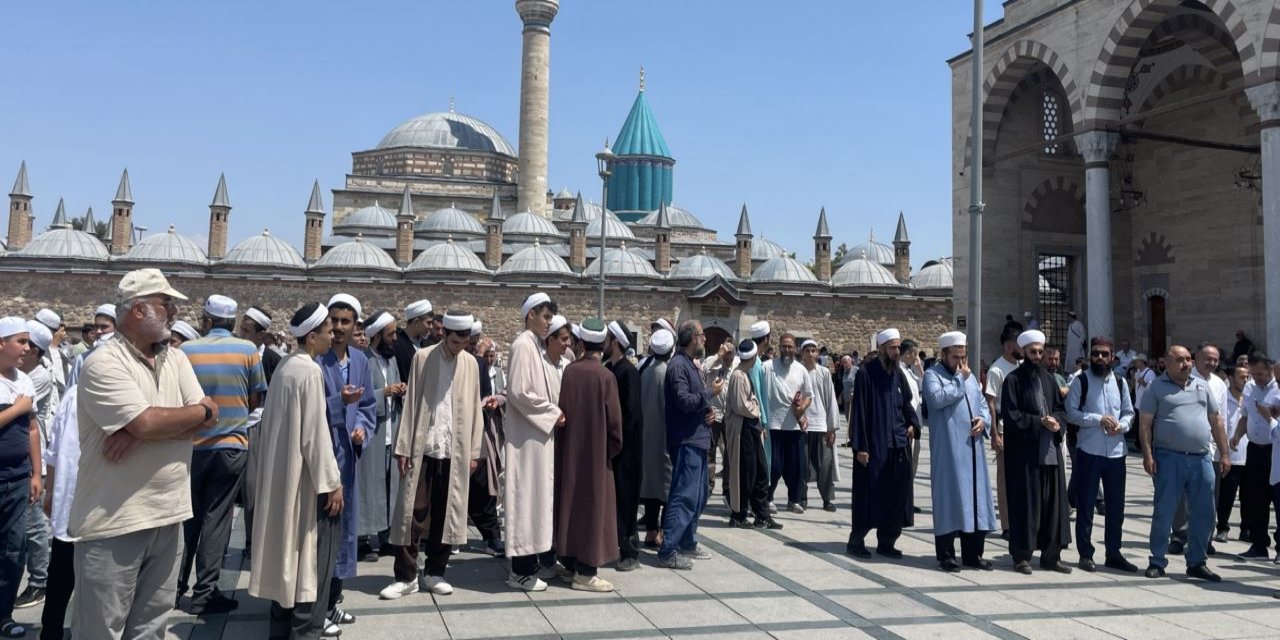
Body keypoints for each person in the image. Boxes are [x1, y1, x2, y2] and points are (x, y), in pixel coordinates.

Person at [70, 269, 216, 639]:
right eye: (165, 304)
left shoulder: (177, 360)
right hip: (114, 521)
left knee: (152, 627)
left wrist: (144, 430)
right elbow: (150, 421)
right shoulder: (103, 363)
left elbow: (207, 417)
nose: (174, 312)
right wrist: (159, 424)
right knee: (101, 630)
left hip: (169, 515)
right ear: (138, 310)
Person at [248, 302, 345, 640]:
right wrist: (332, 484)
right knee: (312, 567)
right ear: (313, 336)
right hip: (306, 486)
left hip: (284, 477)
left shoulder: (287, 366)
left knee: (286, 563)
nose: (333, 336)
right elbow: (315, 436)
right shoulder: (308, 371)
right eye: (328, 331)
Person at [379, 310, 484, 599]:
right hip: (423, 448)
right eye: (455, 340)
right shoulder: (423, 357)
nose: (459, 346)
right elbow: (412, 402)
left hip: (456, 450)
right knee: (412, 513)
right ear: (444, 333)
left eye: (464, 341)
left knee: (445, 513)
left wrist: (474, 451)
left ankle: (435, 572)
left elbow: (475, 409)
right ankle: (406, 576)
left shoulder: (471, 365)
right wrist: (403, 447)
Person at [177, 294, 267, 615]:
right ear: (233, 322)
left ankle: (176, 586)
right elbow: (256, 399)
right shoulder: (247, 351)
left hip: (192, 447)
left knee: (189, 518)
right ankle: (204, 593)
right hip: (231, 445)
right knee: (217, 519)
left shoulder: (185, 351)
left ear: (206, 319)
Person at [1139, 345, 1231, 581]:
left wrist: (1224, 453)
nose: (1186, 364)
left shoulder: (1202, 386)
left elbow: (1216, 421)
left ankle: (1197, 561)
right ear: (1166, 364)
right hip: (1169, 458)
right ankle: (1157, 561)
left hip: (1201, 459)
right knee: (1165, 510)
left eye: (1189, 359)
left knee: (1205, 513)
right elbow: (1145, 425)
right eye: (1180, 360)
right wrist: (1148, 455)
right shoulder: (1155, 388)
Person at [317, 293, 376, 629]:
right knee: (323, 533)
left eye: (345, 322)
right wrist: (338, 402)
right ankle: (317, 607)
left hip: (347, 460)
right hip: (323, 456)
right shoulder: (318, 361)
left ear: (356, 326)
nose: (338, 328)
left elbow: (367, 407)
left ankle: (332, 601)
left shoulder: (360, 361)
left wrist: (360, 431)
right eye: (334, 321)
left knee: (343, 535)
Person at [551, 319, 623, 591]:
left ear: (581, 343)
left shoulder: (570, 372)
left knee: (570, 505)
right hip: (595, 455)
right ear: (604, 345)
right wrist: (610, 452)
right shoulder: (606, 377)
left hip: (570, 451)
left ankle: (569, 563)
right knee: (593, 509)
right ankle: (585, 571)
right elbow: (615, 425)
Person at [999, 329, 1072, 574]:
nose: (1037, 356)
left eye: (1041, 352)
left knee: (1053, 508)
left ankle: (1052, 555)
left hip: (1049, 453)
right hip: (1025, 456)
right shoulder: (1014, 380)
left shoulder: (1049, 379)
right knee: (1026, 505)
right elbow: (1011, 416)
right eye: (1033, 352)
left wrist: (1056, 423)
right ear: (1024, 352)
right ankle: (1022, 556)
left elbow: (1062, 409)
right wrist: (1039, 422)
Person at [503, 294, 563, 592]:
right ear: (530, 316)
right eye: (545, 317)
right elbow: (519, 392)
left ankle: (528, 565)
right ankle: (520, 571)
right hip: (526, 441)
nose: (548, 322)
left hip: (537, 437)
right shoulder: (523, 345)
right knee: (525, 499)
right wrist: (553, 413)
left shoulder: (534, 347)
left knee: (534, 499)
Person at [923, 331, 995, 572]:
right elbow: (935, 400)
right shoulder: (933, 375)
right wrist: (959, 381)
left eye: (963, 357)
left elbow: (982, 402)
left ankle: (973, 554)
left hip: (973, 451)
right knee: (949, 500)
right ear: (944, 354)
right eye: (956, 357)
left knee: (975, 500)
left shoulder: (968, 376)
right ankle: (946, 556)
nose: (961, 363)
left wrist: (983, 421)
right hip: (949, 452)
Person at [1065, 337, 1137, 573]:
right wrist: (1098, 420)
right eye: (1096, 354)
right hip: (1090, 451)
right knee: (1086, 506)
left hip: (1116, 453)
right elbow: (1071, 413)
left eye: (1105, 354)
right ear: (1089, 356)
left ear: (1112, 356)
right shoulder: (1081, 381)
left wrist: (1122, 426)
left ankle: (1113, 553)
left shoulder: (1120, 381)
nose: (1100, 358)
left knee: (1116, 507)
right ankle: (1085, 553)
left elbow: (1128, 412)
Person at [846, 328, 920, 560]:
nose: (897, 352)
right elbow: (859, 412)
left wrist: (913, 424)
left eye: (898, 348)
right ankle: (857, 540)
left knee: (895, 497)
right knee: (869, 495)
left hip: (899, 446)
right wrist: (861, 447)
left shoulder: (898, 374)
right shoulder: (866, 374)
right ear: (881, 349)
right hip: (875, 447)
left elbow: (907, 404)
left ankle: (887, 541)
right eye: (892, 348)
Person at [658, 320, 718, 570]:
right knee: (684, 496)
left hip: (698, 439)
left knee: (700, 495)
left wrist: (708, 410)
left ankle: (686, 541)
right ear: (694, 337)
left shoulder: (691, 366)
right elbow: (684, 401)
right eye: (703, 335)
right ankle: (668, 548)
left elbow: (695, 402)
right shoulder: (678, 366)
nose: (705, 340)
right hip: (686, 441)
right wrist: (709, 394)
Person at [1, 317, 42, 638]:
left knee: (14, 548)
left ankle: (3, 613)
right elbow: (20, 416)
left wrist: (35, 472)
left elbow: (32, 429)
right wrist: (16, 409)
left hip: (16, 478)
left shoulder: (23, 381)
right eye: (21, 342)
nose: (27, 349)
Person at [1170, 343, 1228, 555]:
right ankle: (1179, 536)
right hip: (1183, 448)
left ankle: (1205, 537)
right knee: (1181, 497)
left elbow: (1222, 419)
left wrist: (1224, 450)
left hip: (1210, 449)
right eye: (1208, 359)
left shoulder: (1220, 384)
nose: (1212, 363)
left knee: (1209, 497)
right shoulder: (1183, 377)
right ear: (1196, 359)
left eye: (1215, 359)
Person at [358, 311, 405, 561]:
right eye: (391, 334)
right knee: (368, 486)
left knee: (390, 487)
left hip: (391, 431)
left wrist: (400, 391)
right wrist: (383, 392)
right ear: (377, 336)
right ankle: (362, 540)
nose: (395, 338)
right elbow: (360, 396)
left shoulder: (392, 360)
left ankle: (387, 537)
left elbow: (395, 388)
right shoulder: (363, 360)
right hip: (372, 433)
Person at [15, 320, 54, 613]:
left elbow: (25, 418)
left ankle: (39, 581)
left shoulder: (36, 377)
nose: (24, 350)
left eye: (27, 346)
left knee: (34, 525)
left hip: (30, 462)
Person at [40, 383, 81, 640]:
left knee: (61, 575)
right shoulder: (75, 393)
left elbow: (53, 450)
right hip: (91, 501)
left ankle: (51, 632)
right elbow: (54, 450)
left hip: (70, 498)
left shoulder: (74, 393)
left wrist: (51, 491)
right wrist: (51, 492)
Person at [725, 339, 778, 529]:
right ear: (754, 356)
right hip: (744, 430)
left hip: (751, 430)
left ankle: (761, 514)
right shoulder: (739, 376)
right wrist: (756, 407)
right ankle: (738, 515)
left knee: (760, 472)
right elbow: (741, 406)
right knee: (746, 474)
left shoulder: (744, 374)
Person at [604, 320, 643, 572]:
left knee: (627, 499)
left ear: (615, 342)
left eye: (607, 340)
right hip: (616, 448)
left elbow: (630, 414)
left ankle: (630, 551)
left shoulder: (628, 372)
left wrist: (618, 443)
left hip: (627, 450)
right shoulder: (611, 368)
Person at [1235, 352, 1278, 560]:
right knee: (1255, 499)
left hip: (1274, 450)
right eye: (1254, 374)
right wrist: (1236, 436)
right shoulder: (1250, 387)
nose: (1257, 378)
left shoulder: (1278, 388)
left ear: (1270, 369)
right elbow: (1244, 416)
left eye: (1260, 374)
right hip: (1254, 448)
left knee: (1278, 499)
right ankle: (1259, 545)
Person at [763, 333, 813, 513]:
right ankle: (768, 498)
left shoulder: (801, 370)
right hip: (773, 425)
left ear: (795, 349)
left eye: (790, 347)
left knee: (796, 466)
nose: (787, 350)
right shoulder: (767, 367)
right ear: (779, 347)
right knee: (774, 465)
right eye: (784, 346)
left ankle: (794, 500)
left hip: (794, 426)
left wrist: (802, 409)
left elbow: (809, 395)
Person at [984, 325, 1022, 538]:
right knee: (1005, 479)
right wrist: (995, 435)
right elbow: (990, 403)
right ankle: (1007, 524)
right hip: (1005, 431)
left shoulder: (1023, 365)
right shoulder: (997, 370)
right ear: (1009, 346)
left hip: (1024, 430)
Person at [639, 330, 674, 548]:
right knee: (668, 489)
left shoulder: (645, 371)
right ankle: (661, 532)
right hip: (665, 438)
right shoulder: (669, 374)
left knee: (650, 486)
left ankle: (651, 531)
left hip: (647, 437)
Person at [800, 340, 838, 511]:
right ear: (802, 353)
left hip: (821, 424)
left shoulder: (823, 373)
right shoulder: (798, 372)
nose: (810, 353)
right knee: (802, 464)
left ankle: (827, 498)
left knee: (825, 464)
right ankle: (801, 497)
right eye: (807, 350)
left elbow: (830, 399)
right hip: (803, 425)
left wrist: (832, 427)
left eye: (813, 350)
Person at [1218, 363, 1250, 543]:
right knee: (1226, 496)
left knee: (1249, 497)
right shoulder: (1224, 398)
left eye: (1247, 377)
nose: (1245, 381)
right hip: (1230, 456)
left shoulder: (1250, 399)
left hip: (1249, 454)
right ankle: (1222, 527)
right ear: (1231, 378)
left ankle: (1246, 528)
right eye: (1241, 377)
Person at [899, 339, 925, 516]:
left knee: (912, 466)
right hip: (907, 426)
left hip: (916, 425)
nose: (916, 357)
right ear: (907, 353)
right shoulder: (899, 371)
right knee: (905, 467)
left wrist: (920, 369)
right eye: (914, 354)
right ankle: (902, 502)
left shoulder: (910, 372)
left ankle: (908, 500)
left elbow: (923, 388)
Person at [393, 300, 434, 383]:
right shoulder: (397, 344)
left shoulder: (428, 344)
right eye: (428, 323)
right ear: (416, 322)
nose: (431, 327)